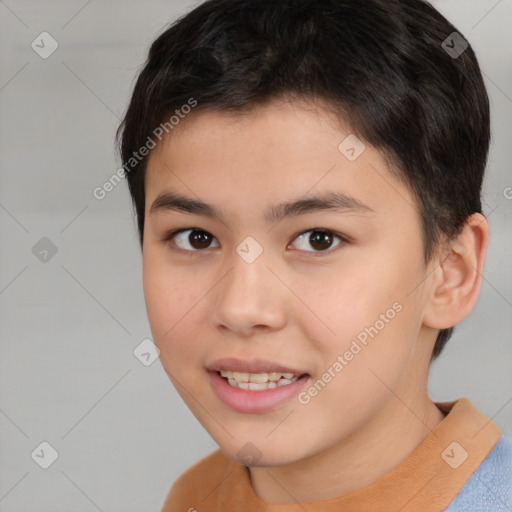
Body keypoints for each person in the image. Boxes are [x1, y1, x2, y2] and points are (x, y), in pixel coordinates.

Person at [116, 0, 512, 509]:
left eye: (318, 239)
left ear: (450, 272)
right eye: (196, 237)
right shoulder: (196, 498)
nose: (241, 307)